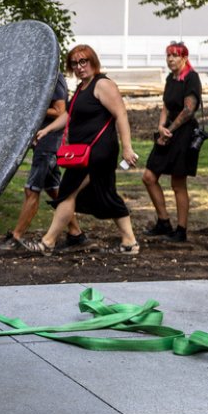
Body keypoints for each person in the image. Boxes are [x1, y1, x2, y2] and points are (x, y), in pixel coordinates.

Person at [20, 45, 140, 256]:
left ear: (93, 61)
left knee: (67, 193)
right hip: (85, 152)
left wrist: (127, 148)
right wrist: (47, 130)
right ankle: (130, 242)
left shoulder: (102, 84)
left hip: (98, 152)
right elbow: (70, 115)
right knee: (107, 195)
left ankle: (48, 242)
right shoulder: (83, 88)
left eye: (84, 61)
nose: (79, 67)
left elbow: (121, 115)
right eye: (75, 63)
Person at [0, 72, 88, 252]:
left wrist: (31, 109)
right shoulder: (38, 76)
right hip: (43, 142)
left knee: (32, 189)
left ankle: (16, 237)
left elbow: (60, 111)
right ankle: (76, 234)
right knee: (54, 190)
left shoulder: (52, 77)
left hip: (49, 143)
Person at [141, 41, 203, 242]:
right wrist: (161, 127)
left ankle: (181, 230)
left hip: (183, 134)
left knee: (178, 183)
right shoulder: (170, 78)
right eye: (168, 55)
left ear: (184, 58)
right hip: (166, 131)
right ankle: (163, 222)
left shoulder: (191, 78)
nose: (170, 59)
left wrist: (170, 129)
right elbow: (166, 106)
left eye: (175, 55)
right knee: (149, 176)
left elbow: (188, 110)